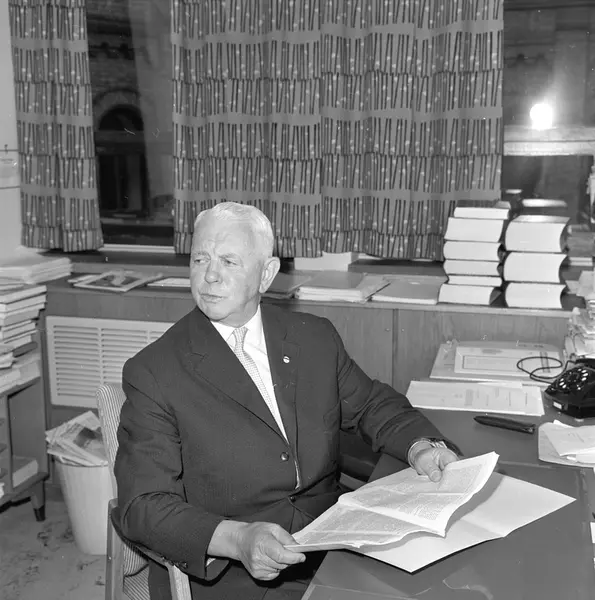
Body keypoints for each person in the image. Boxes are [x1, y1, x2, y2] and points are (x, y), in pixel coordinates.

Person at [115, 202, 460, 600]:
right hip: (239, 572)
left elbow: (371, 405)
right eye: (200, 259)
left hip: (331, 541)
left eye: (228, 261)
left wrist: (422, 446)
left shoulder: (313, 337)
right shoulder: (155, 370)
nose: (210, 275)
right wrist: (237, 539)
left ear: (267, 274)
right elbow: (143, 505)